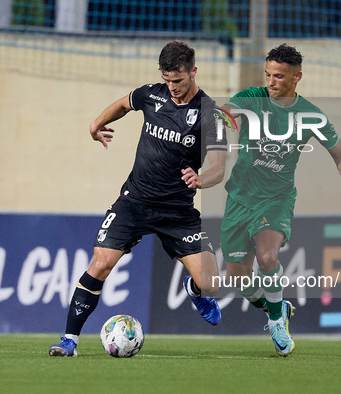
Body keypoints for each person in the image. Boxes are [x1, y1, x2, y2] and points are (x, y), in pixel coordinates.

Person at [49, 41, 228, 357]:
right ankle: (69, 341)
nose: (172, 87)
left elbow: (218, 166)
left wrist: (203, 179)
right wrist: (96, 124)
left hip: (177, 211)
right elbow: (122, 104)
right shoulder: (151, 94)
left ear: (193, 72)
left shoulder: (209, 113)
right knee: (100, 263)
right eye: (168, 79)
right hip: (134, 203)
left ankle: (196, 291)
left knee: (211, 283)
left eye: (179, 80)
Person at [219, 44, 341, 356]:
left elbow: (339, 152)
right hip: (239, 199)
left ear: (297, 77)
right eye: (268, 75)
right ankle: (277, 307)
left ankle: (276, 322)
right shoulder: (250, 98)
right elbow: (225, 114)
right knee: (237, 279)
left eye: (279, 76)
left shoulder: (310, 114)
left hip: (276, 199)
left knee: (268, 258)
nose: (271, 82)